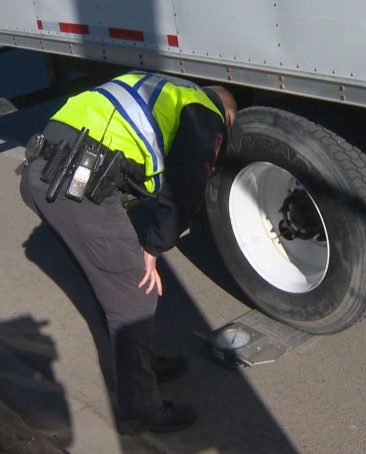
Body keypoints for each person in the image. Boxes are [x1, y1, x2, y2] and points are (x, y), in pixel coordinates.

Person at [19, 71, 237, 434]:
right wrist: (152, 248)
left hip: (45, 171)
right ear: (226, 116)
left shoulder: (166, 88)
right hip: (77, 184)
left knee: (111, 283)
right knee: (135, 294)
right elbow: (186, 187)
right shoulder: (205, 113)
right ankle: (140, 410)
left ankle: (141, 364)